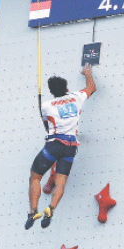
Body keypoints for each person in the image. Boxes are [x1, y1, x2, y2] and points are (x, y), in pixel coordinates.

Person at [26, 63, 96, 229]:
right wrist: (87, 72)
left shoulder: (47, 106)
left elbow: (46, 125)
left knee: (35, 177)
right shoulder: (76, 97)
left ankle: (33, 211)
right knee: (60, 182)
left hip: (54, 144)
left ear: (52, 91)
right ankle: (51, 209)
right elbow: (91, 88)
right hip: (70, 147)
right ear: (66, 88)